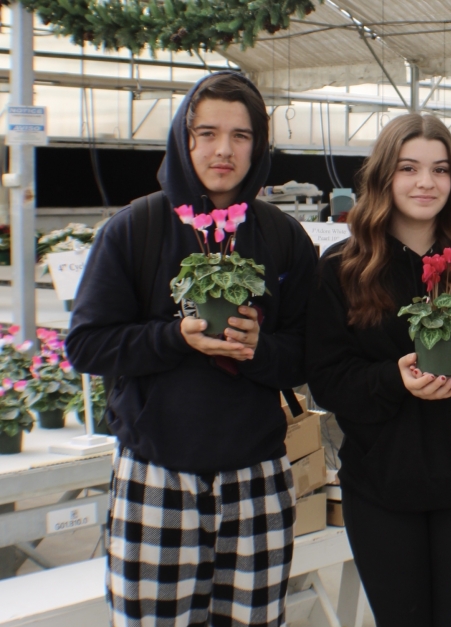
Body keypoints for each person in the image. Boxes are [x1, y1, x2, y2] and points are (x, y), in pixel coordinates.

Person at [66, 71, 317, 627]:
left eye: (241, 135)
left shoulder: (281, 237)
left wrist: (260, 349)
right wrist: (173, 337)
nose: (223, 149)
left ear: (260, 145)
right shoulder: (136, 228)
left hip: (256, 478)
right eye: (206, 132)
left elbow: (308, 355)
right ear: (184, 139)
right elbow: (86, 345)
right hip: (157, 475)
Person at [305, 113, 451, 627]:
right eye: (409, 168)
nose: (425, 183)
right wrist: (394, 379)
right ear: (384, 176)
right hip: (380, 485)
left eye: (439, 169)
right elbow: (326, 378)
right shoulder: (341, 268)